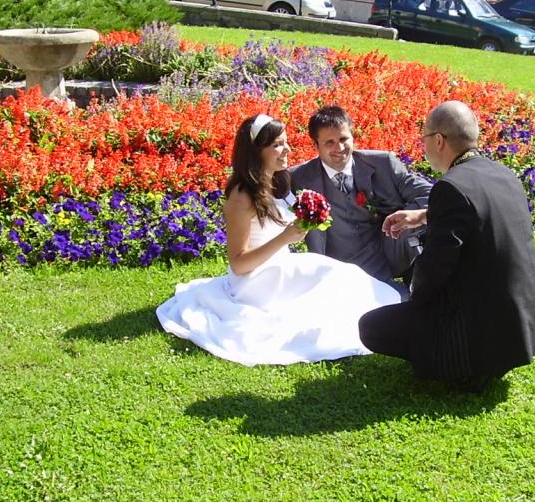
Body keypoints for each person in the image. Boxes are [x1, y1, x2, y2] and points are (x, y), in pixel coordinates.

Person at [156, 114, 400, 366]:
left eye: (286, 142)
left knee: (346, 276)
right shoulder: (241, 197)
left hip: (281, 266)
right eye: (278, 145)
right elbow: (238, 264)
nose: (288, 150)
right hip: (257, 281)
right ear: (256, 151)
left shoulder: (276, 181)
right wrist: (285, 238)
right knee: (332, 281)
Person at [358, 100, 535, 392]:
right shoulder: (503, 174)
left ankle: (462, 367)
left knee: (371, 326)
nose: (423, 147)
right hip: (520, 328)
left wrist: (415, 298)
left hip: (480, 331)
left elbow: (435, 268)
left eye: (424, 139)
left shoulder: (450, 186)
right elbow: (479, 213)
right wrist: (424, 216)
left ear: (439, 140)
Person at [290, 106, 432, 286]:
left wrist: (417, 216)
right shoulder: (298, 178)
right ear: (316, 145)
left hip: (386, 259)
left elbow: (432, 194)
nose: (339, 148)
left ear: (353, 136)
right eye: (329, 142)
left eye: (343, 139)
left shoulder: (383, 164)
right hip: (336, 272)